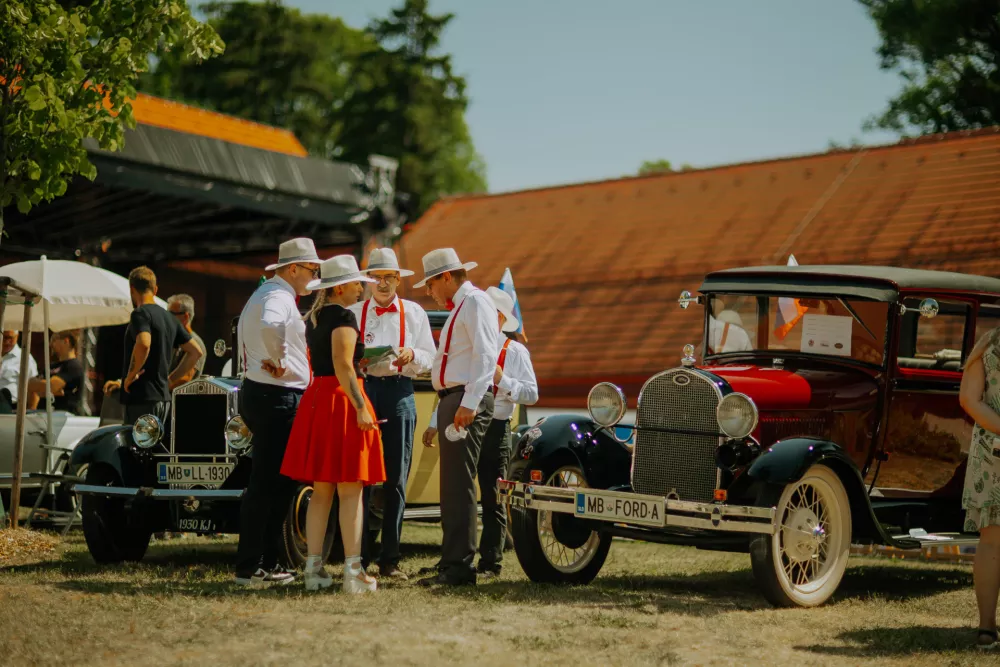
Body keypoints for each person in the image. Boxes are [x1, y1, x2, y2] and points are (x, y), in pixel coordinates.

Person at [281, 255, 384, 593]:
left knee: (322, 490)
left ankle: (314, 569)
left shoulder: (315, 317)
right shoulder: (343, 316)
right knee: (351, 489)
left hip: (318, 400)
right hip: (340, 400)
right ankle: (353, 573)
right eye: (357, 283)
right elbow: (343, 366)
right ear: (340, 286)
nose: (361, 288)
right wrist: (360, 406)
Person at [432, 286, 537, 578]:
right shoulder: (473, 340)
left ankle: (491, 561)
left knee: (491, 493)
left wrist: (504, 382)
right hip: (471, 417)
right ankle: (455, 556)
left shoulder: (515, 351)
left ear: (501, 318)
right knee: (460, 486)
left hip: (497, 425)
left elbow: (532, 394)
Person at [233, 238, 320, 587]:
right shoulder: (278, 297)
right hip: (277, 396)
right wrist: (280, 358)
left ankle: (264, 562)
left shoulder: (268, 293)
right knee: (269, 484)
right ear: (294, 268)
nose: (314, 277)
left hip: (266, 393)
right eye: (312, 270)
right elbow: (271, 325)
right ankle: (252, 565)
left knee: (276, 483)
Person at [348, 247, 436, 580]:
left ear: (399, 280)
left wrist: (412, 353)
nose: (382, 284)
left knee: (397, 477)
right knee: (362, 475)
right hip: (366, 392)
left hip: (400, 391)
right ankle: (359, 556)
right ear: (368, 281)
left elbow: (431, 356)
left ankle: (391, 557)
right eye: (376, 278)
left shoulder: (414, 313)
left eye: (389, 278)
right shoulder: (355, 312)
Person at [414, 248, 498, 587]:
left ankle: (460, 567)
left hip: (465, 398)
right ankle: (452, 561)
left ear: (446, 277)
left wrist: (470, 402)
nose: (429, 292)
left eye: (431, 284)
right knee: (452, 486)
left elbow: (486, 354)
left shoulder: (475, 303)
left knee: (459, 485)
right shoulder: (464, 306)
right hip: (457, 397)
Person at [104, 266, 203, 426]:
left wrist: (129, 376)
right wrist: (170, 380)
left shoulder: (140, 313)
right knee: (154, 450)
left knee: (134, 449)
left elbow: (143, 343)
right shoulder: (169, 317)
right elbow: (195, 352)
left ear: (132, 289)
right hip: (163, 400)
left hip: (141, 399)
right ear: (155, 289)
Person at [960, 326, 1000, 650]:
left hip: (992, 448)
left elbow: (969, 399)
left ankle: (986, 628)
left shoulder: (988, 341)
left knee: (991, 542)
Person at [26, 331, 85, 414]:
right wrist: (54, 391)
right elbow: (30, 383)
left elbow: (52, 386)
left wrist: (43, 389)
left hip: (63, 415)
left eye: (54, 340)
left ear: (66, 341)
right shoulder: (51, 366)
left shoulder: (74, 366)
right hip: (43, 415)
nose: (51, 345)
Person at [167, 294, 207, 390]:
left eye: (171, 314)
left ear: (185, 317)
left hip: (182, 402)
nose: (167, 318)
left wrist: (160, 389)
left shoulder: (196, 343)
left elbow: (185, 378)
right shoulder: (174, 340)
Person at [0, 330, 38, 405]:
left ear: (17, 337)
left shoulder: (24, 357)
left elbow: (33, 389)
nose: (6, 341)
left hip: (12, 409)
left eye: (10, 338)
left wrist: (31, 412)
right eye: (3, 337)